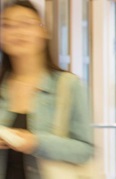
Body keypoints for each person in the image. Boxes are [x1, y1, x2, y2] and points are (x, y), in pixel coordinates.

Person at [0, 1, 93, 178]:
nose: (17, 32)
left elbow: (84, 150)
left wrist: (36, 143)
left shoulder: (68, 85)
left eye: (26, 23)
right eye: (7, 25)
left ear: (43, 31)